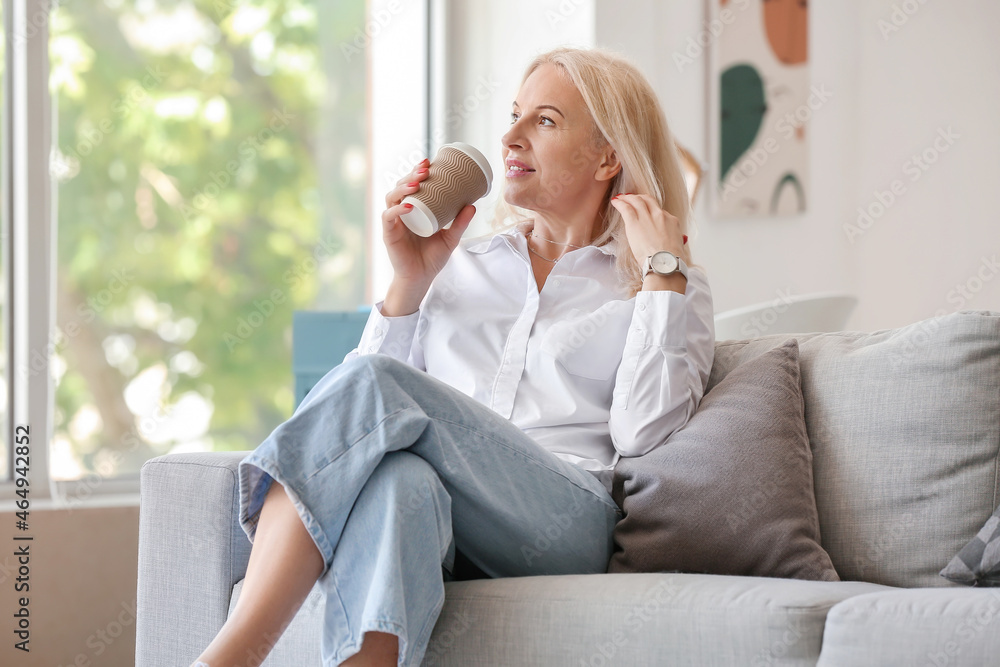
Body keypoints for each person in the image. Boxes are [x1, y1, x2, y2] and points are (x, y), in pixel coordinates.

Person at [192, 45, 715, 667]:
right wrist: (408, 285)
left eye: (544, 121)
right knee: (396, 482)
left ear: (607, 156)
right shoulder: (461, 264)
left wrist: (662, 277)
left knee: (379, 388)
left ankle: (227, 659)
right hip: (441, 510)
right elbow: (367, 418)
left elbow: (645, 429)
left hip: (565, 522)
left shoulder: (663, 281)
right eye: (515, 114)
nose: (510, 135)